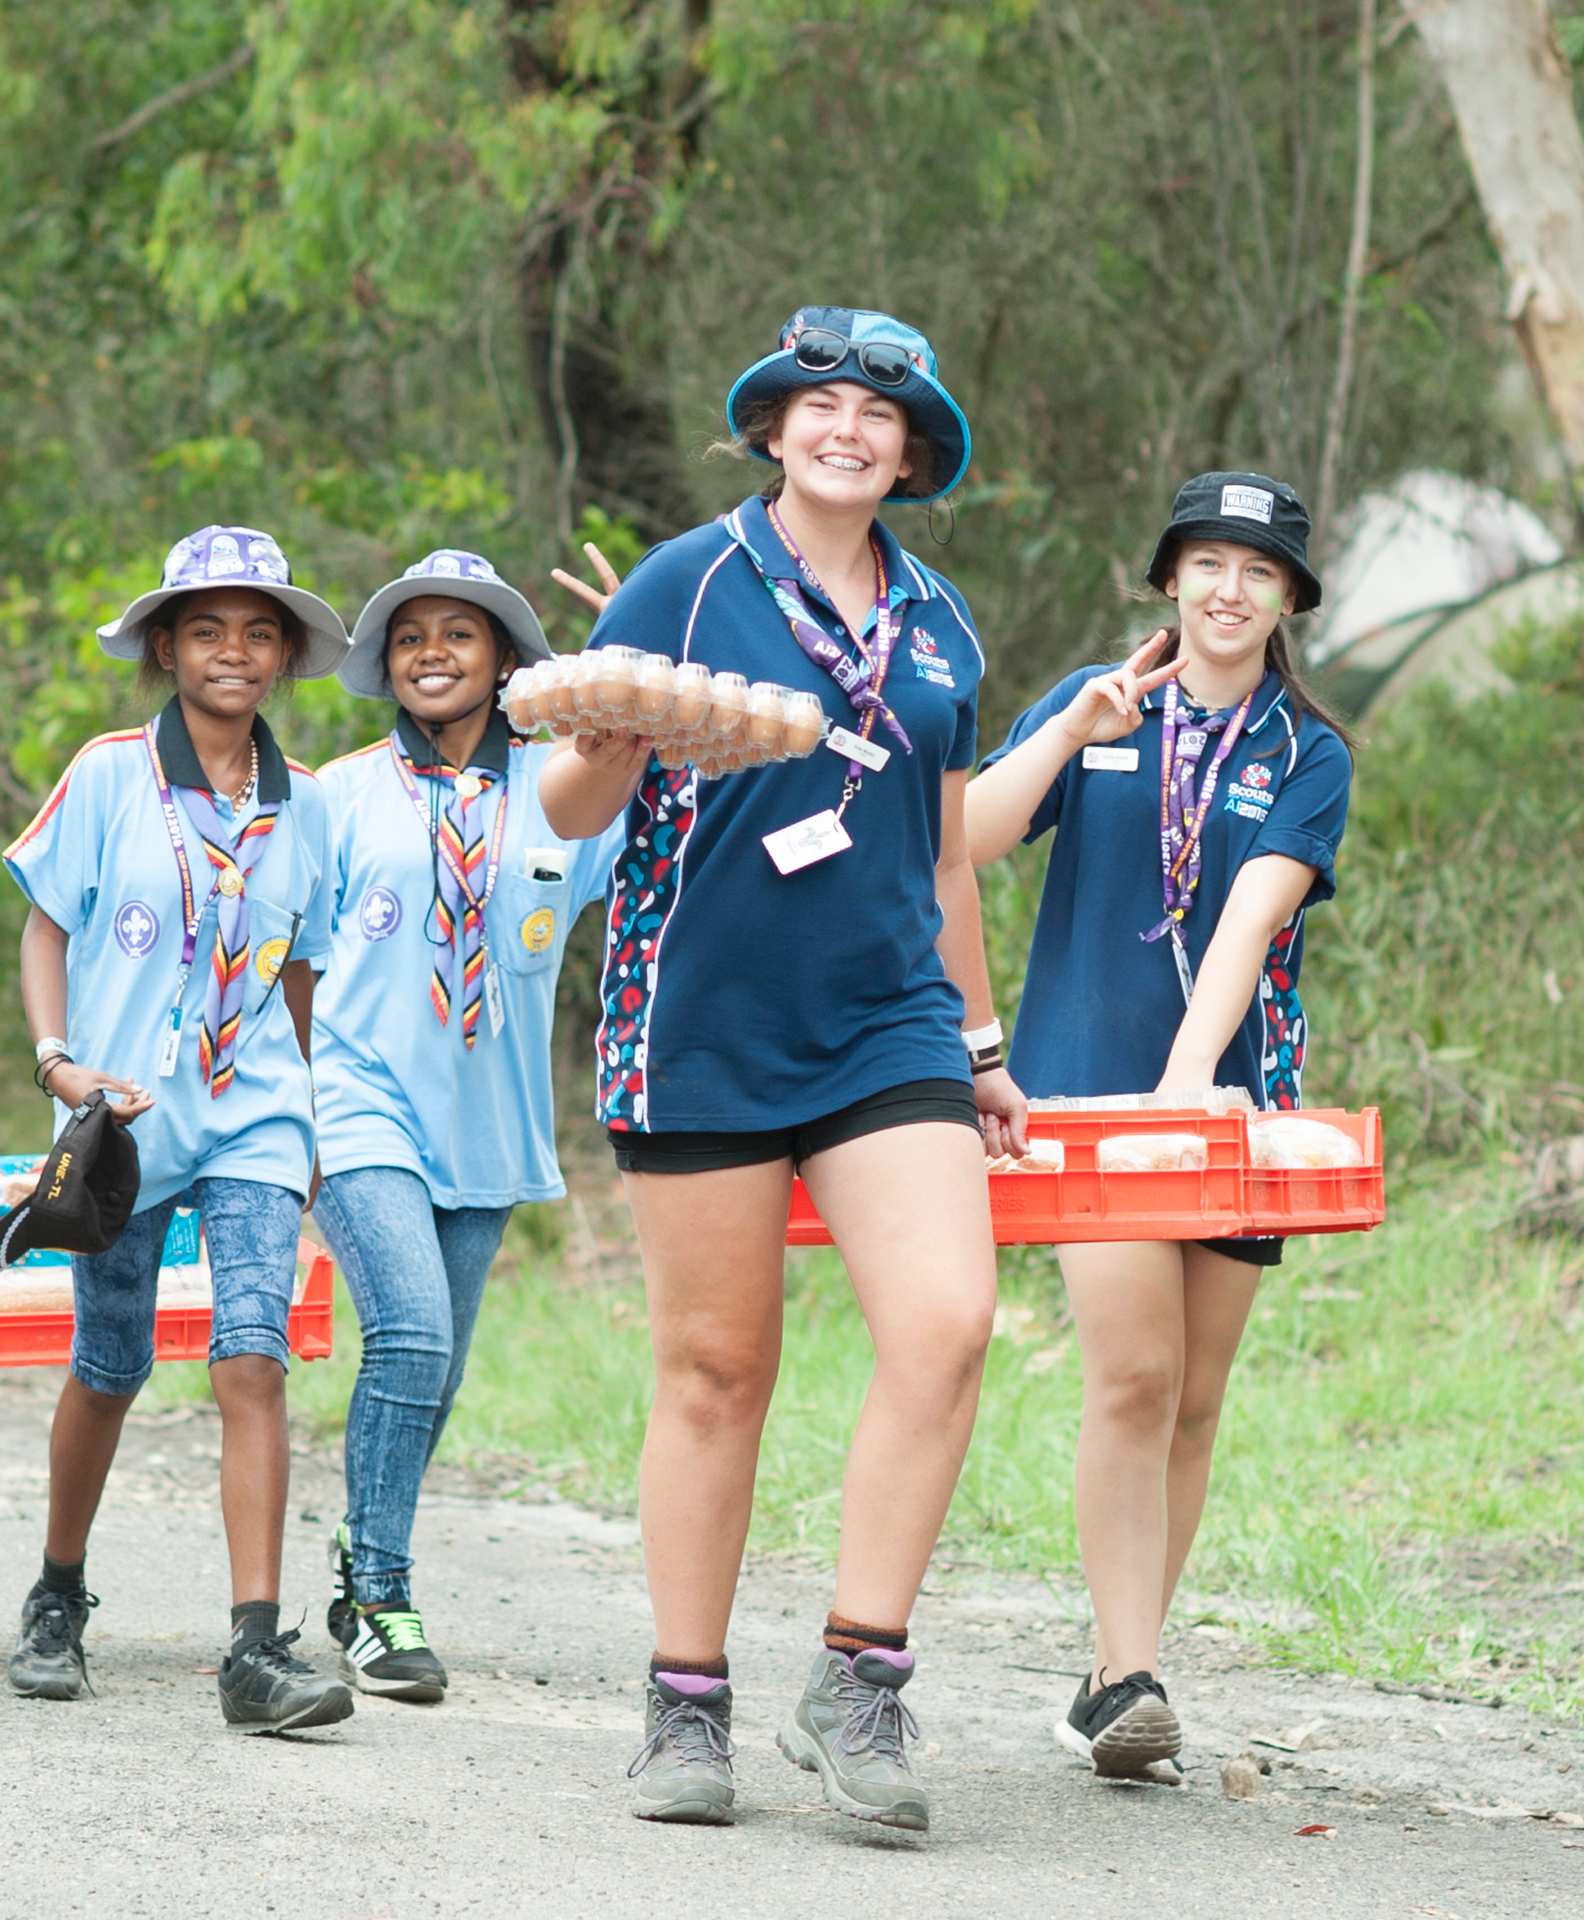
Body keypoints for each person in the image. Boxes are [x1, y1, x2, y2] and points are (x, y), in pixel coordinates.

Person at [542, 306, 1023, 1833]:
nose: (849, 429)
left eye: (881, 415)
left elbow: (940, 847)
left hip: (888, 1021)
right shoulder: (687, 581)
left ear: (910, 451)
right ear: (771, 431)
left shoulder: (941, 620)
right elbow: (566, 809)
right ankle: (686, 1708)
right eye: (820, 404)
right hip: (700, 1013)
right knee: (715, 1371)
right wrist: (616, 728)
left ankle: (859, 1680)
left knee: (948, 1324)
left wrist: (983, 1036)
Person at [966, 471, 1353, 1779]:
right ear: (1169, 579)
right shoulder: (1105, 704)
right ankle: (1135, 1680)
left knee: (1194, 1400)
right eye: (1207, 562)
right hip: (1087, 1099)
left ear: (1289, 594)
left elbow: (1249, 923)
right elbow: (967, 832)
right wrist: (1067, 733)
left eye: (1258, 568)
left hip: (1235, 1109)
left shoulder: (1309, 753)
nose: (1229, 588)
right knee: (1132, 1376)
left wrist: (1190, 1093)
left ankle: (1107, 1672)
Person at [0, 525, 356, 1732]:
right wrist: (60, 1064)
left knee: (253, 1358)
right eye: (208, 630)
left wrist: (303, 1108)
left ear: (288, 657)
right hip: (128, 1119)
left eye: (260, 633)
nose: (235, 653)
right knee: (110, 1365)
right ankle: (57, 1596)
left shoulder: (306, 805)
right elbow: (45, 924)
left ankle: (257, 1650)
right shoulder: (109, 772)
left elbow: (298, 971)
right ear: (167, 645)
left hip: (255, 1113)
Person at [310, 551, 628, 1701]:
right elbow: (295, 966)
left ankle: (357, 1558)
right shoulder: (339, 793)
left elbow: (678, 783)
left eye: (460, 632)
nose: (432, 652)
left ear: (504, 660)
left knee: (435, 1375)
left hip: (490, 1121)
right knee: (410, 1336)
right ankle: (384, 1601)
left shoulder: (563, 787)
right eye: (409, 637)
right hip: (355, 1103)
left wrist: (641, 655)